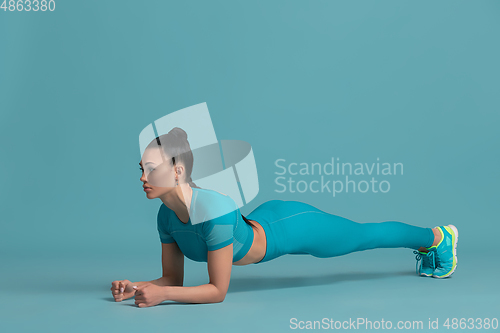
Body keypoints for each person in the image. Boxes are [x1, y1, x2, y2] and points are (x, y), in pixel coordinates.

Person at [111, 127, 459, 307]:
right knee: (361, 236)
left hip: (291, 228)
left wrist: (164, 295)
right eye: (141, 169)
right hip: (266, 218)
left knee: (363, 236)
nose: (142, 177)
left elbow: (217, 291)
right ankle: (433, 240)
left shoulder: (213, 211)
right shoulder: (165, 217)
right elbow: (173, 277)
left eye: (151, 169)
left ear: (178, 171)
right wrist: (138, 287)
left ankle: (437, 237)